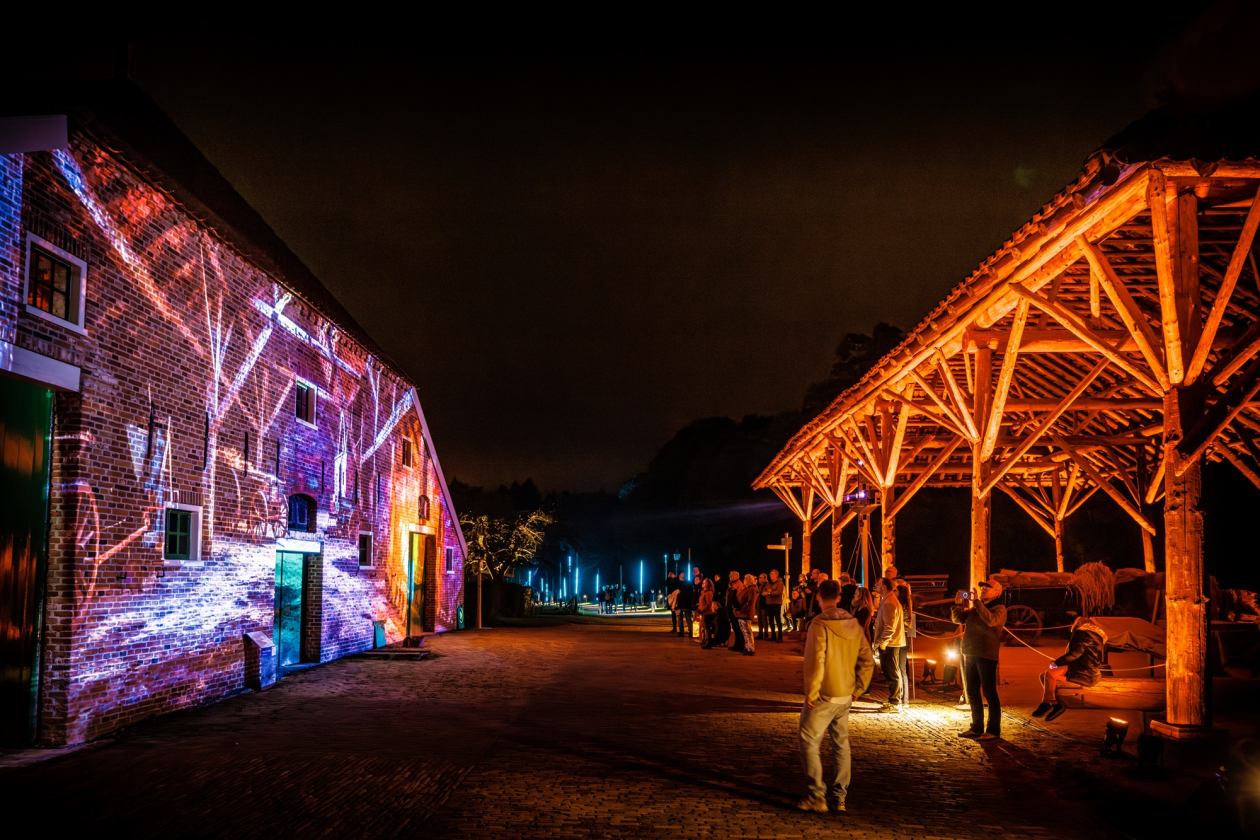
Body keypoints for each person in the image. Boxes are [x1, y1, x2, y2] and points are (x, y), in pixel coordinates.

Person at [795, 579, 875, 813]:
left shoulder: (818, 625)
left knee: (808, 740)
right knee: (841, 745)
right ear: (840, 597)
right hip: (846, 695)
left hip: (824, 695)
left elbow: (816, 660)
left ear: (819, 597)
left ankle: (816, 794)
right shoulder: (852, 623)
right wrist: (858, 688)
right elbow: (867, 659)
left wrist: (812, 691)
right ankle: (840, 797)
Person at [951, 579, 1008, 740]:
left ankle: (993, 730)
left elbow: (991, 621)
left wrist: (977, 602)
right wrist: (957, 605)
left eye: (987, 588)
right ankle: (976, 727)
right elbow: (958, 619)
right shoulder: (977, 608)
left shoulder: (999, 608)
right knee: (972, 692)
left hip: (986, 655)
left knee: (989, 693)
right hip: (971, 653)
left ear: (996, 593)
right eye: (982, 587)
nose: (982, 589)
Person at [1034, 617, 1107, 721]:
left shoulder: (1082, 633)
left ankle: (1049, 703)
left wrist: (1056, 663)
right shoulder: (1096, 636)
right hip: (1085, 669)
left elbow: (1075, 653)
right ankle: (1054, 703)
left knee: (1050, 674)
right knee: (1043, 675)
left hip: (1082, 671)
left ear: (1078, 624)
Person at [872, 577, 906, 712]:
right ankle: (895, 700)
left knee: (891, 672)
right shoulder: (887, 600)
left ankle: (895, 702)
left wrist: (882, 643)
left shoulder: (889, 602)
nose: (876, 585)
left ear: (884, 587)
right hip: (891, 642)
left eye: (879, 583)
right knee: (893, 671)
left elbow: (889, 627)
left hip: (890, 644)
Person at [735, 574, 758, 655]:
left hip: (745, 613)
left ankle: (750, 648)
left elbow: (750, 602)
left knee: (747, 631)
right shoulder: (747, 589)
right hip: (742, 613)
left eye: (745, 579)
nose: (744, 580)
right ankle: (747, 647)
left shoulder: (751, 589)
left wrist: (742, 608)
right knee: (744, 631)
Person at [725, 572, 745, 652]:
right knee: (735, 628)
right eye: (729, 575)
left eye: (731, 576)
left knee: (737, 628)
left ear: (737, 576)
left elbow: (739, 598)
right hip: (731, 609)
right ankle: (737, 644)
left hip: (735, 610)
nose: (730, 577)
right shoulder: (732, 585)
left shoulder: (739, 585)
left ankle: (740, 645)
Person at [765, 569, 785, 642]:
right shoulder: (768, 583)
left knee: (777, 620)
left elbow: (778, 592)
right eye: (770, 574)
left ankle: (780, 636)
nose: (770, 575)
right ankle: (773, 636)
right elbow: (765, 591)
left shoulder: (780, 583)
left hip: (776, 603)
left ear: (776, 575)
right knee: (770, 620)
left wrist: (770, 593)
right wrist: (768, 592)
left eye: (772, 574)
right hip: (769, 603)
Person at [697, 578, 717, 648]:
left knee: (707, 628)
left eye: (704, 583)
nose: (703, 584)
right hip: (704, 613)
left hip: (707, 613)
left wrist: (701, 610)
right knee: (705, 628)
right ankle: (706, 641)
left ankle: (709, 643)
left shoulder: (708, 593)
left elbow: (709, 603)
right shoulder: (704, 592)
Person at [676, 574, 694, 638]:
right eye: (682, 573)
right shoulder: (677, 583)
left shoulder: (687, 583)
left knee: (688, 618)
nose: (683, 574)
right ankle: (681, 632)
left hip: (686, 603)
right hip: (680, 603)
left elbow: (691, 593)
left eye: (684, 573)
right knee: (680, 619)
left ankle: (690, 631)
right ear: (679, 575)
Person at [756, 573, 770, 640]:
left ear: (765, 578)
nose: (760, 579)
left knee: (764, 620)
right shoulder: (760, 586)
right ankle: (760, 634)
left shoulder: (767, 585)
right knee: (760, 620)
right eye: (759, 578)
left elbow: (766, 594)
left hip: (764, 604)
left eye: (761, 578)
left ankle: (766, 634)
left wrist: (761, 594)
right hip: (759, 604)